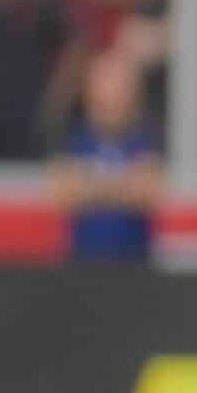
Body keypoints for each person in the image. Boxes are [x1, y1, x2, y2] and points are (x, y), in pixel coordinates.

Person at [54, 51, 163, 265]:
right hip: (82, 264)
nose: (112, 96)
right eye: (104, 84)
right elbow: (64, 194)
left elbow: (147, 193)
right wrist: (122, 187)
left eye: (119, 86)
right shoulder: (74, 141)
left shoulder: (147, 139)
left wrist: (91, 188)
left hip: (135, 266)